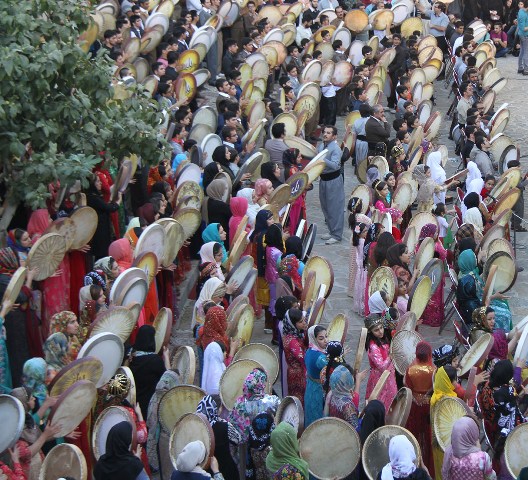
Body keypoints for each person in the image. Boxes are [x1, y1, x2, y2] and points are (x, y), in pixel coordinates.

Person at [405, 342, 435, 474]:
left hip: (415, 403)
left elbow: (407, 386)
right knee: (427, 433)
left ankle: (414, 458)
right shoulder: (434, 370)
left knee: (414, 431)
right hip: (428, 404)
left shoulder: (410, 369)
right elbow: (435, 387)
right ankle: (427, 462)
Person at [128, 325, 170, 418]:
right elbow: (168, 378)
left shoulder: (131, 358)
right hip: (150, 406)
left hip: (133, 405)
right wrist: (166, 356)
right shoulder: (155, 361)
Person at [229, 368, 280, 442]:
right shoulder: (272, 401)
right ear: (261, 383)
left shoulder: (239, 403)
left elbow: (234, 429)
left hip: (247, 448)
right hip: (269, 446)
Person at [196, 396, 240, 480]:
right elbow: (237, 439)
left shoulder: (195, 426)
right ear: (216, 409)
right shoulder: (224, 426)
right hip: (225, 469)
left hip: (204, 470)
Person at [364, 315, 397, 411]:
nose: (381, 331)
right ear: (371, 332)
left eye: (381, 327)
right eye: (376, 330)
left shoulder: (383, 338)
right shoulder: (373, 347)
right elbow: (381, 366)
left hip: (389, 375)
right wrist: (390, 357)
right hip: (380, 378)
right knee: (382, 401)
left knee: (391, 399)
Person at [318, 126, 345, 245]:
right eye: (324, 132)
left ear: (334, 136)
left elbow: (335, 165)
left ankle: (337, 234)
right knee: (326, 207)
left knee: (335, 207)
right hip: (323, 180)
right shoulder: (321, 146)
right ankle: (331, 230)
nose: (325, 134)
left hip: (333, 180)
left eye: (328, 133)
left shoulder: (335, 149)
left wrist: (322, 159)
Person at [304, 325, 329, 427]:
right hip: (318, 390)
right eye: (321, 338)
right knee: (318, 418)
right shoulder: (320, 358)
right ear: (314, 338)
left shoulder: (310, 350)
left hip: (310, 386)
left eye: (326, 336)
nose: (326, 340)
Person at [281, 308, 307, 405]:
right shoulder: (293, 342)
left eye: (304, 320)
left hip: (293, 372)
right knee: (300, 401)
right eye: (301, 322)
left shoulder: (288, 334)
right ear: (292, 324)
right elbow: (304, 359)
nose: (304, 323)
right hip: (298, 375)